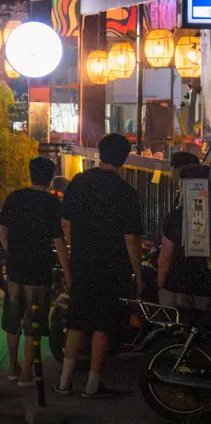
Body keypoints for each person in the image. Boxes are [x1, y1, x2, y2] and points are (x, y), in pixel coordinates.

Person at [57, 133, 144, 399]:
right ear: (124, 158)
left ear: (99, 153)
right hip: (112, 265)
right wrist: (138, 274)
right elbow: (131, 239)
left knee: (77, 320)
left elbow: (65, 224)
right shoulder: (126, 192)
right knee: (102, 324)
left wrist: (76, 250)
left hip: (82, 262)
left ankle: (64, 382)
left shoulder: (79, 183)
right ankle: (93, 384)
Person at [0, 157, 70, 387]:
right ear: (50, 178)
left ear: (30, 174)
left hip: (15, 268)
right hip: (38, 269)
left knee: (13, 318)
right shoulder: (51, 203)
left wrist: (12, 252)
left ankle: (12, 367)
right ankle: (25, 373)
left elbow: (2, 232)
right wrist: (67, 271)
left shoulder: (14, 198)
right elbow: (58, 240)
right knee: (33, 321)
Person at [158, 153, 211, 316]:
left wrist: (160, 285)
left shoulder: (178, 215)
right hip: (206, 289)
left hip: (177, 287)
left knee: (176, 332)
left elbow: (165, 257)